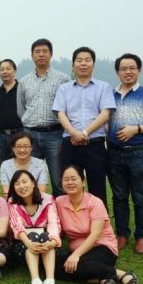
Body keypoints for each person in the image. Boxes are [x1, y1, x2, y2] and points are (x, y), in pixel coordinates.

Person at [108, 54, 143, 254]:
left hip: (138, 153)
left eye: (132, 68)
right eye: (123, 68)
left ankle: (142, 236)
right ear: (118, 72)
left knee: (140, 197)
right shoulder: (110, 95)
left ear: (139, 70)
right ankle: (122, 233)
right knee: (119, 196)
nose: (128, 72)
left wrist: (136, 129)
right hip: (114, 153)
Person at [54, 165, 138, 284]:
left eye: (73, 179)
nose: (69, 182)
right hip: (79, 250)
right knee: (53, 267)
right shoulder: (59, 202)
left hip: (102, 247)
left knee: (76, 266)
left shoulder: (95, 202)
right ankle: (100, 280)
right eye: (66, 179)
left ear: (82, 182)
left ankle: (121, 275)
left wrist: (76, 255)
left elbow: (95, 235)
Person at [52, 47, 115, 206]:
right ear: (73, 64)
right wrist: (73, 133)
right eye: (79, 60)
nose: (83, 64)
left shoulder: (103, 87)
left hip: (95, 144)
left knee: (97, 186)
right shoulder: (64, 88)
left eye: (87, 60)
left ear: (93, 64)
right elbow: (60, 113)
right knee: (70, 185)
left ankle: (99, 220)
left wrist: (85, 133)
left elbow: (105, 113)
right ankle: (69, 219)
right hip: (70, 144)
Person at [17, 38, 70, 196]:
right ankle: (34, 211)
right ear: (32, 55)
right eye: (37, 52)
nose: (41, 55)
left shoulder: (63, 79)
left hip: (55, 134)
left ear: (51, 54)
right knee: (31, 179)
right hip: (30, 135)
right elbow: (21, 109)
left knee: (58, 179)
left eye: (44, 51)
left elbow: (68, 107)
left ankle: (60, 210)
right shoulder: (24, 81)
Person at [7, 170, 60, 284]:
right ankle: (35, 281)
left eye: (24, 181)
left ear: (33, 183)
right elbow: (17, 226)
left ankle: (50, 281)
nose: (21, 186)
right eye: (17, 183)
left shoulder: (48, 200)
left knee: (45, 236)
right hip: (23, 245)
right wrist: (29, 243)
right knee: (32, 236)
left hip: (46, 244)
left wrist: (52, 242)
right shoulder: (12, 202)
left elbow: (54, 223)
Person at [0, 58, 24, 164]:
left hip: (20, 134)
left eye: (8, 69)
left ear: (14, 70)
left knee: (21, 165)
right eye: (2, 69)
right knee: (4, 166)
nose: (5, 72)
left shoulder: (22, 90)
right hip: (1, 136)